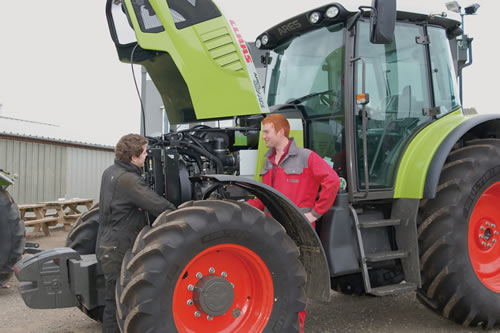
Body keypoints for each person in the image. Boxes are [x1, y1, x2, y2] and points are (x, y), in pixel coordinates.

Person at [248, 114, 340, 333]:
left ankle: (295, 328)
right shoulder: (269, 160)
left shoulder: (306, 157)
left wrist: (316, 214)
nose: (263, 137)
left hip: (297, 231)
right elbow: (264, 196)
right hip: (272, 231)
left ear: (281, 132)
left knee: (294, 281)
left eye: (267, 132)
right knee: (271, 280)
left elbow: (332, 181)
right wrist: (243, 209)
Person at [96, 133, 176, 333]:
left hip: (107, 242)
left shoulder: (111, 171)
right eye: (144, 152)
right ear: (133, 157)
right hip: (117, 247)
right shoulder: (129, 180)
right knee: (115, 301)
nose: (147, 155)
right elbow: (157, 206)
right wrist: (180, 214)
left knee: (114, 298)